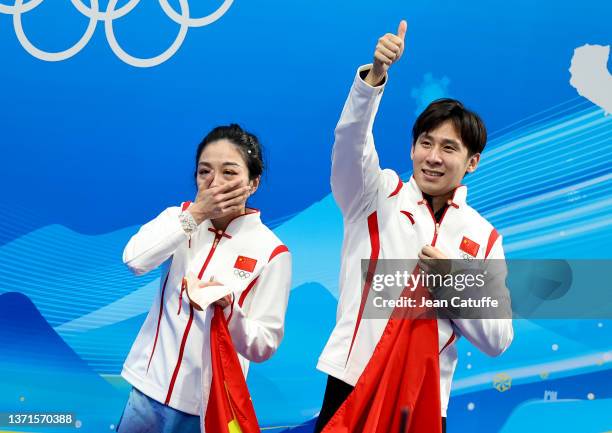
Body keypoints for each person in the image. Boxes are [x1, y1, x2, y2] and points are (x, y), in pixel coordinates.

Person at [315, 21, 513, 433]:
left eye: (449, 148)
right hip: (353, 380)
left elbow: (497, 339)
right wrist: (373, 79)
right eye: (426, 142)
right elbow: (350, 140)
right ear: (412, 146)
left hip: (422, 399)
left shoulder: (485, 238)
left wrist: (452, 283)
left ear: (472, 162)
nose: (433, 157)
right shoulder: (374, 194)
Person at [116, 124, 292, 433]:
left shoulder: (272, 252)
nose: (214, 183)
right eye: (204, 172)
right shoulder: (179, 218)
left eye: (229, 172)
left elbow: (263, 345)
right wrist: (195, 215)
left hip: (208, 409)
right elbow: (134, 260)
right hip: (147, 392)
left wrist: (229, 309)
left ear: (253, 183)